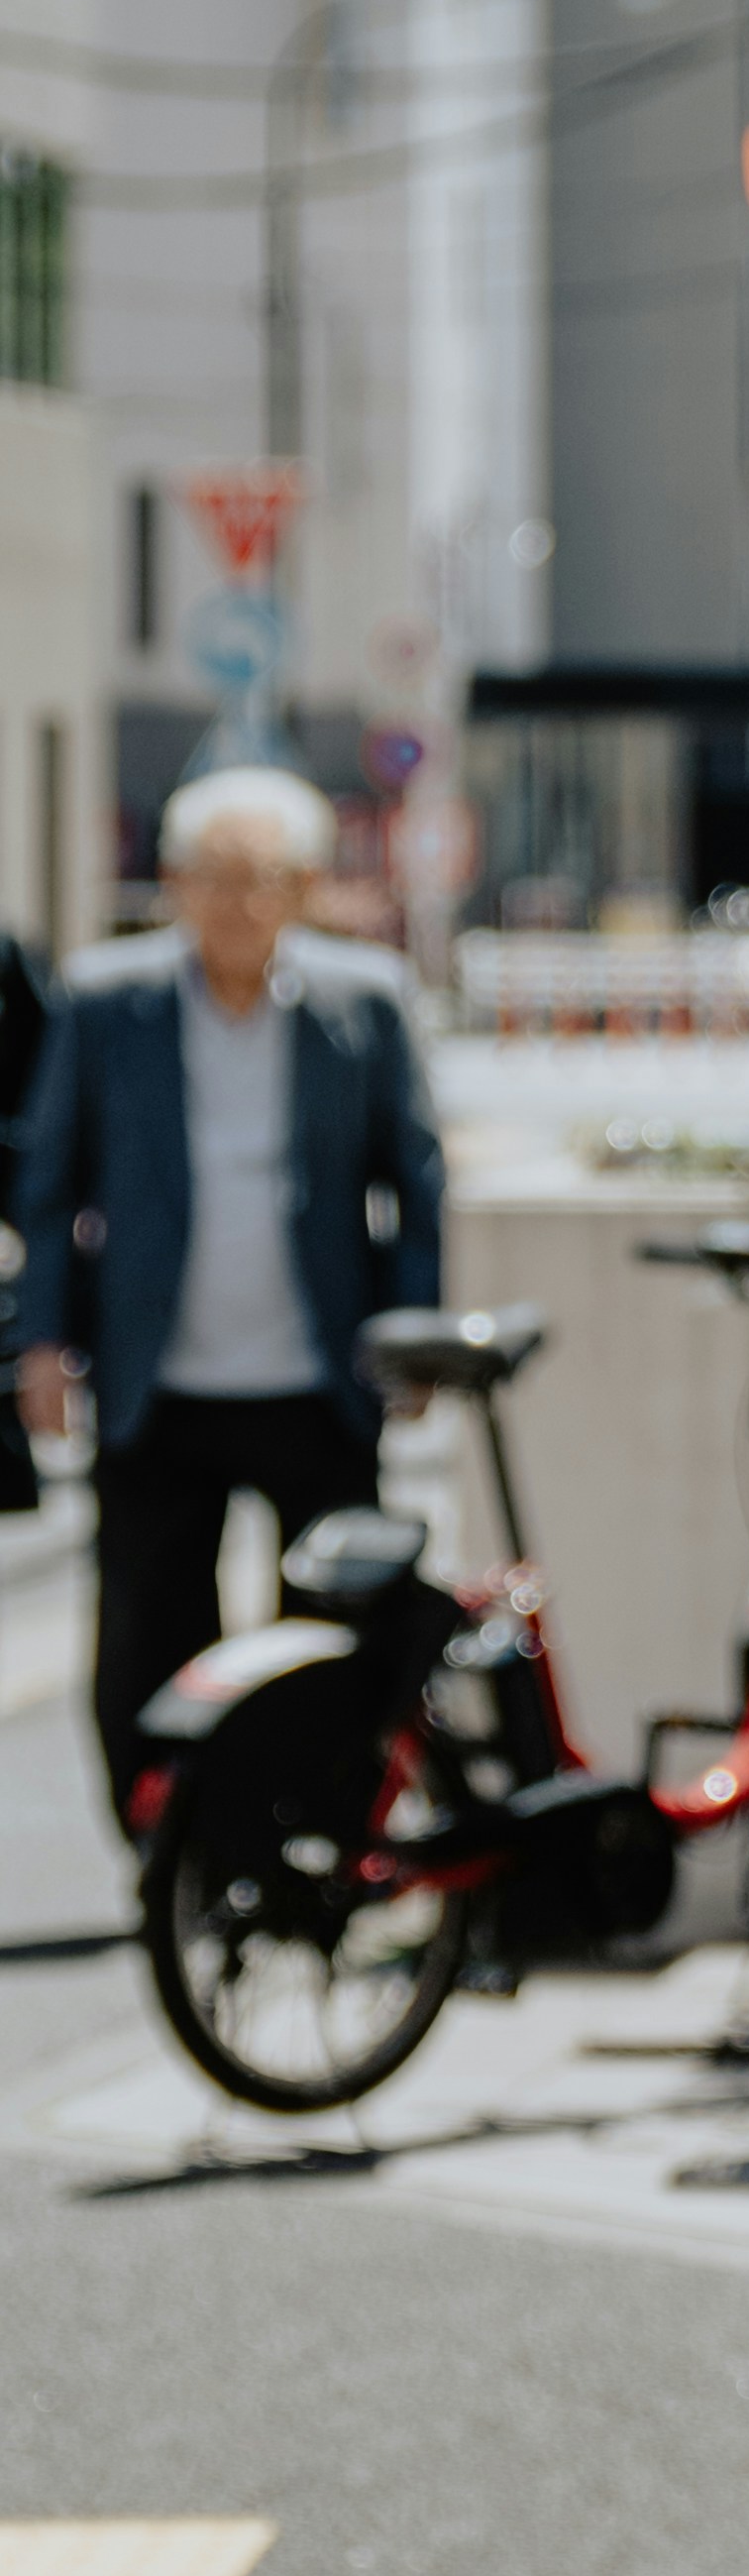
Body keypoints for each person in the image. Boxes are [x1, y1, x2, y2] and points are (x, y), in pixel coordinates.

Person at [14, 758, 447, 1822]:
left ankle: (313, 1838)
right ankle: (166, 1844)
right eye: (212, 877)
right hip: (156, 1378)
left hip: (317, 1376)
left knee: (331, 1631)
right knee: (145, 1635)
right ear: (171, 885)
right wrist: (36, 1345)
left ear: (305, 889)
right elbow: (46, 1180)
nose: (237, 902)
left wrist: (414, 1338)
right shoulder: (107, 1001)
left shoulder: (366, 1004)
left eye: (263, 878)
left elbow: (417, 1178)